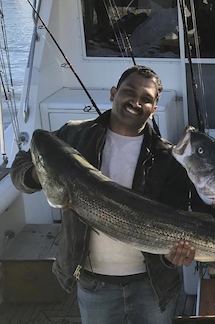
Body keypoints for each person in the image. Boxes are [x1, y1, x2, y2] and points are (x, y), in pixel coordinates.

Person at [11, 65, 199, 324]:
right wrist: (38, 175)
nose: (135, 101)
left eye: (146, 99)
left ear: (154, 108)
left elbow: (176, 215)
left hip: (152, 284)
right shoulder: (73, 135)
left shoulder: (167, 158)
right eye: (128, 92)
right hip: (94, 283)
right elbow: (21, 167)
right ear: (113, 93)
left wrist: (172, 258)